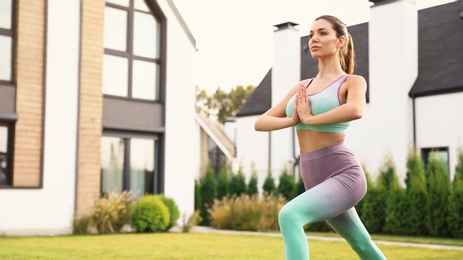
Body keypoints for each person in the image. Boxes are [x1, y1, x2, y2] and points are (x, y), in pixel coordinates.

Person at [254, 15, 386, 260]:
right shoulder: (302, 86)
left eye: (323, 33)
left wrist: (310, 119)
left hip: (344, 174)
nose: (314, 38)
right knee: (362, 244)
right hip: (313, 175)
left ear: (340, 41)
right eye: (312, 34)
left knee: (289, 215)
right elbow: (260, 122)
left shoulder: (352, 81)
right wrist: (292, 120)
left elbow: (356, 109)